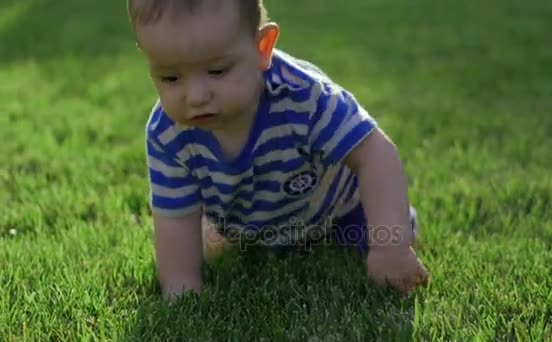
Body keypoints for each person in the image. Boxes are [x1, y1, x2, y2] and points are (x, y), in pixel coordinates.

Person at [127, 0, 430, 302]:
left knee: (370, 235)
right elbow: (175, 216)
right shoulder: (167, 133)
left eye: (217, 71)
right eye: (170, 78)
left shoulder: (304, 97)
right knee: (203, 245)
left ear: (262, 48)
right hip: (252, 226)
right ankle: (234, 234)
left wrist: (391, 249)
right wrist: (181, 284)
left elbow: (375, 153)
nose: (195, 96)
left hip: (338, 213)